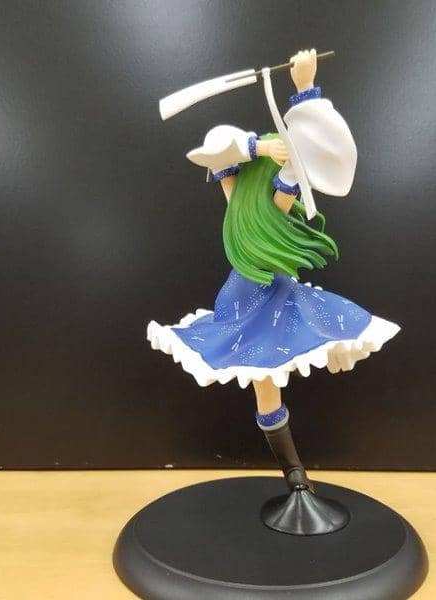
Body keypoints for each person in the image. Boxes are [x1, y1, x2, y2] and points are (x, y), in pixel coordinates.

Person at [147, 50, 400, 534]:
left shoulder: (271, 202)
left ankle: (297, 480)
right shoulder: (239, 201)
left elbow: (307, 152)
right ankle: (296, 478)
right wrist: (261, 147)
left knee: (273, 385)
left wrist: (305, 90)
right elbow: (218, 144)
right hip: (244, 304)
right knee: (266, 389)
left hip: (278, 297)